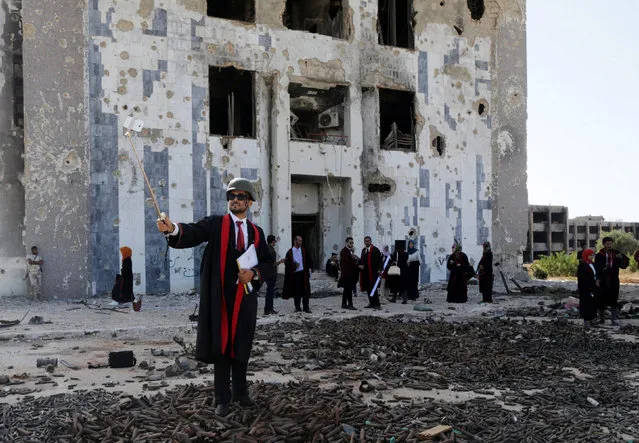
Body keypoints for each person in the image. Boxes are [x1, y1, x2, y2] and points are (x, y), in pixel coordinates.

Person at [156, 178, 273, 416]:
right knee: (223, 347)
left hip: (245, 300)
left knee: (242, 346)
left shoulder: (257, 234)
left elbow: (269, 262)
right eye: (231, 196)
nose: (235, 200)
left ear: (249, 202)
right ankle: (222, 399)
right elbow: (193, 231)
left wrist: (254, 273)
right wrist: (172, 228)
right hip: (220, 298)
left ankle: (241, 393)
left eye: (240, 196)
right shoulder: (216, 224)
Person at [594, 236, 628, 326]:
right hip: (602, 280)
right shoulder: (599, 255)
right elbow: (596, 268)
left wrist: (621, 259)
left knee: (614, 298)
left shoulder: (616, 253)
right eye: (607, 244)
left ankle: (614, 319)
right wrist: (597, 279)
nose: (609, 245)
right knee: (600, 299)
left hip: (613, 280)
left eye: (610, 243)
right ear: (604, 244)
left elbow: (624, 264)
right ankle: (601, 319)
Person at [283, 235, 313, 313]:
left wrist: (310, 268)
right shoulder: (290, 252)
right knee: (297, 292)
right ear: (295, 241)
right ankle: (297, 307)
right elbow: (287, 263)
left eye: (301, 240)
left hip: (304, 274)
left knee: (305, 291)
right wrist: (293, 265)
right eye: (299, 240)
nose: (301, 242)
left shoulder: (303, 250)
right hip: (295, 274)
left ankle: (306, 307)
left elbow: (309, 260)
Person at [577, 248, 599, 329]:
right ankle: (586, 322)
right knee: (586, 304)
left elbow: (595, 274)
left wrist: (597, 281)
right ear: (586, 255)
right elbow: (582, 278)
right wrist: (589, 285)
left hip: (593, 287)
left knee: (592, 304)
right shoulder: (582, 265)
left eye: (592, 255)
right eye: (590, 255)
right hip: (585, 288)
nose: (592, 256)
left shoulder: (592, 264)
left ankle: (592, 320)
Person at [360, 236, 383, 309]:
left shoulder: (375, 250)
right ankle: (371, 303)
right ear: (364, 242)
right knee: (368, 289)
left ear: (370, 241)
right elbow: (362, 260)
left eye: (368, 241)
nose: (367, 242)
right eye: (366, 241)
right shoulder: (363, 250)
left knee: (374, 288)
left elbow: (380, 261)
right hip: (365, 273)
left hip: (373, 273)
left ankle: (377, 304)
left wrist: (380, 270)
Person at [264, 235, 285, 316]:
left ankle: (268, 309)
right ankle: (269, 309)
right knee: (270, 292)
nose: (275, 242)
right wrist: (280, 261)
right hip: (271, 273)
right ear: (273, 241)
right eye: (275, 241)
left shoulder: (267, 249)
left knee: (269, 292)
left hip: (268, 273)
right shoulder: (271, 250)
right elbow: (272, 264)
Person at [338, 237, 359, 310]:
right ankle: (350, 305)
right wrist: (357, 265)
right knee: (349, 289)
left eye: (352, 243)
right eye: (350, 243)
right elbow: (348, 263)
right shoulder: (344, 251)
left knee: (346, 289)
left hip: (350, 273)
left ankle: (344, 304)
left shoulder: (349, 251)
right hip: (347, 273)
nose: (352, 244)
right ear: (346, 243)